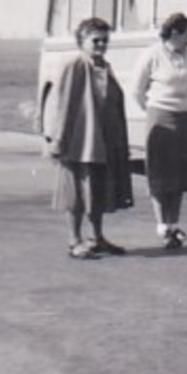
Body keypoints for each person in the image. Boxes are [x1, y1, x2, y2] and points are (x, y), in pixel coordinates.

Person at [43, 17, 133, 259]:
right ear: (81, 42)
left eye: (105, 40)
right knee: (77, 193)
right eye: (95, 40)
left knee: (98, 192)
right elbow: (65, 105)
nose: (101, 44)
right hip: (80, 141)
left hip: (103, 140)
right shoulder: (76, 65)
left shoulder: (104, 65)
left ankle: (97, 237)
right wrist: (58, 141)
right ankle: (74, 240)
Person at [131, 12, 187, 250]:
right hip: (161, 117)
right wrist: (152, 110)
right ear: (174, 33)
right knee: (161, 174)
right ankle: (163, 226)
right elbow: (137, 90)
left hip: (185, 118)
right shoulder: (153, 54)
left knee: (179, 175)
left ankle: (174, 224)